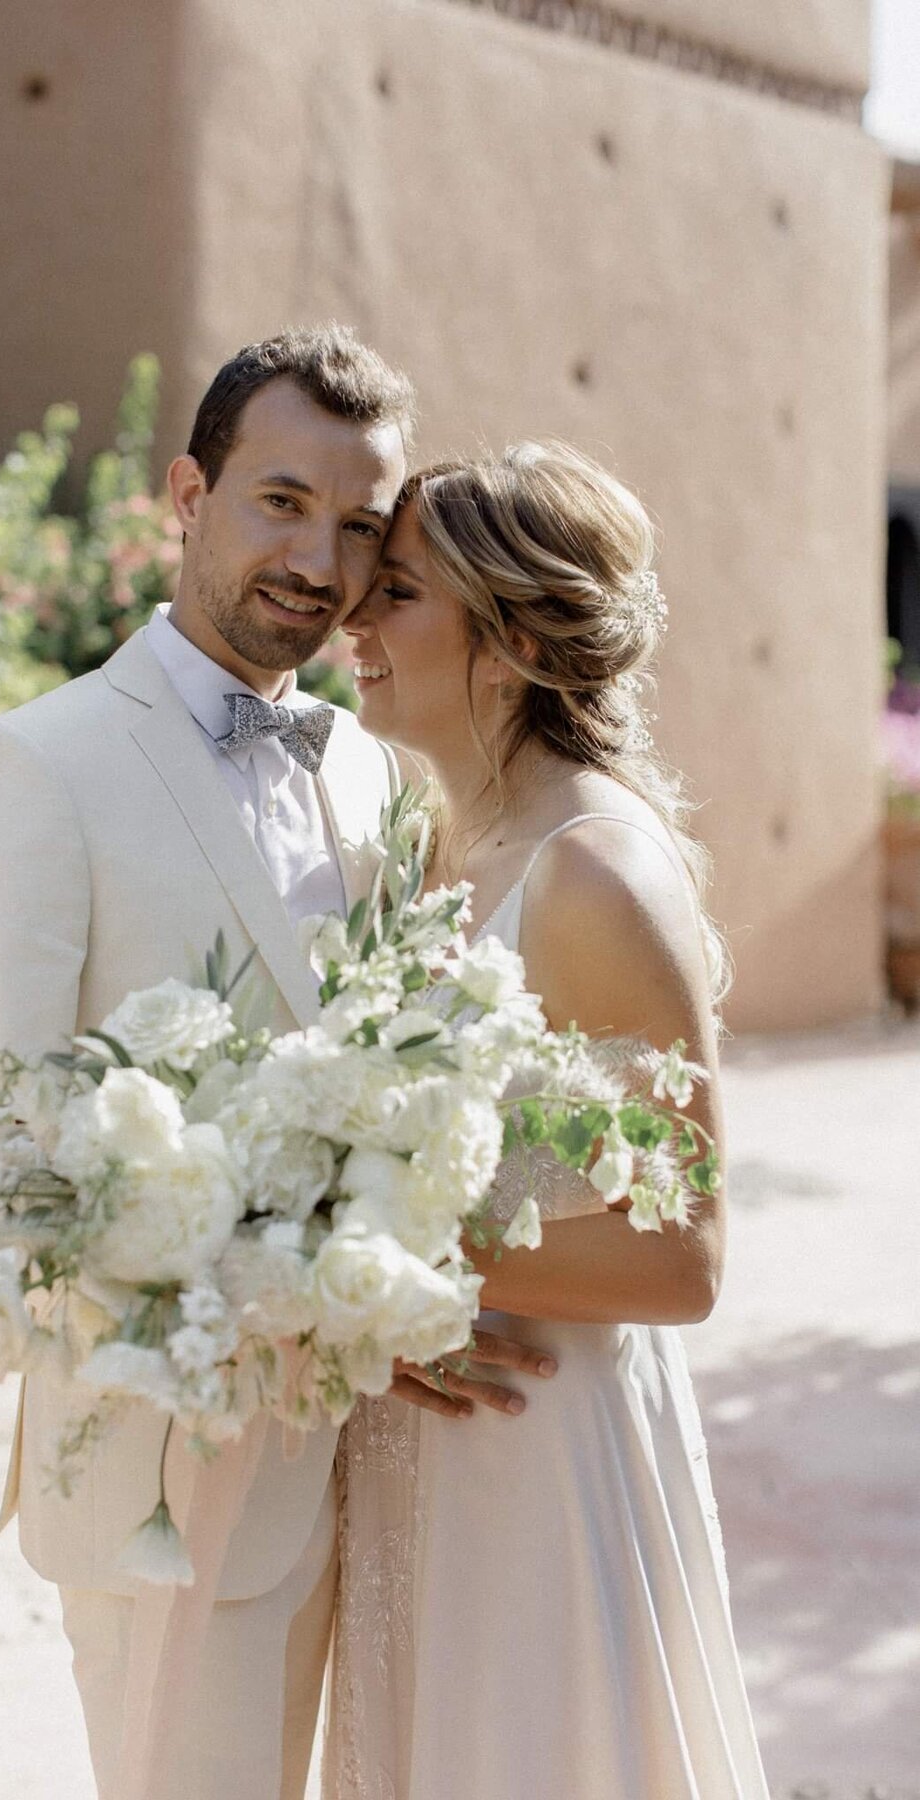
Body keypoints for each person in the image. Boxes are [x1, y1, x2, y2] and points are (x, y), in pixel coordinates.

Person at [0, 328, 551, 1800]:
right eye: (280, 501)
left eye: (361, 526)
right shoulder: (34, 768)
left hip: (386, 1471)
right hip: (163, 1481)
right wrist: (271, 1300)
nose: (321, 560)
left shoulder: (380, 770)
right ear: (188, 493)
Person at [329, 444, 770, 1798]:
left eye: (396, 591)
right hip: (422, 1445)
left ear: (510, 641)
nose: (355, 619)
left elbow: (684, 1258)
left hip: (539, 1461)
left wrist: (377, 1265)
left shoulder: (592, 876)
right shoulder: (431, 841)